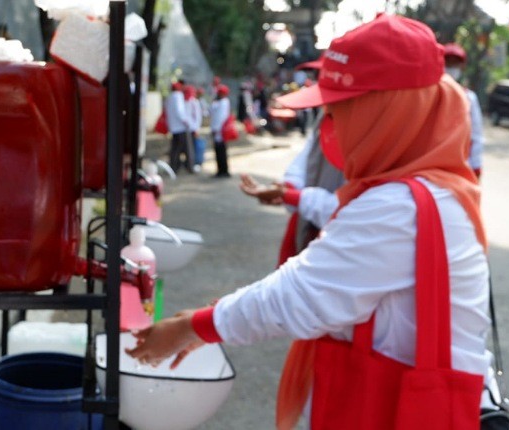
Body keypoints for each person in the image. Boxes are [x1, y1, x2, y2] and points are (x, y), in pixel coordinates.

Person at [127, 14, 489, 429]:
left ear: (387, 112)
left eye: (338, 112)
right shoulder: (435, 189)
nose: (330, 129)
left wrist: (194, 327)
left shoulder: (401, 204)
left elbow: (301, 296)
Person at [444, 43, 484, 179]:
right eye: (448, 63)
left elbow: (476, 134)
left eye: (455, 64)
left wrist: (476, 165)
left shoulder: (469, 97)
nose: (451, 68)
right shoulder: (428, 94)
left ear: (462, 67)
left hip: (460, 165)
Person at [165, 81, 194, 173]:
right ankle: (188, 167)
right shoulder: (178, 95)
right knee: (185, 149)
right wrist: (186, 121)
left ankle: (174, 166)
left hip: (173, 127)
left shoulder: (169, 97)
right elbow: (180, 111)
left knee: (175, 148)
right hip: (180, 127)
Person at [209, 84, 232, 178]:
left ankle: (223, 170)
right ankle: (221, 170)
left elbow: (220, 118)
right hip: (218, 130)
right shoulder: (219, 102)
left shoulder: (223, 103)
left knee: (221, 151)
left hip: (220, 131)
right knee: (219, 151)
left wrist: (216, 129)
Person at [184, 86, 204, 173]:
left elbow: (198, 117)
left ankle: (192, 164)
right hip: (185, 129)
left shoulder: (194, 102)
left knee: (192, 148)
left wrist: (196, 129)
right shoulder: (184, 101)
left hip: (192, 128)